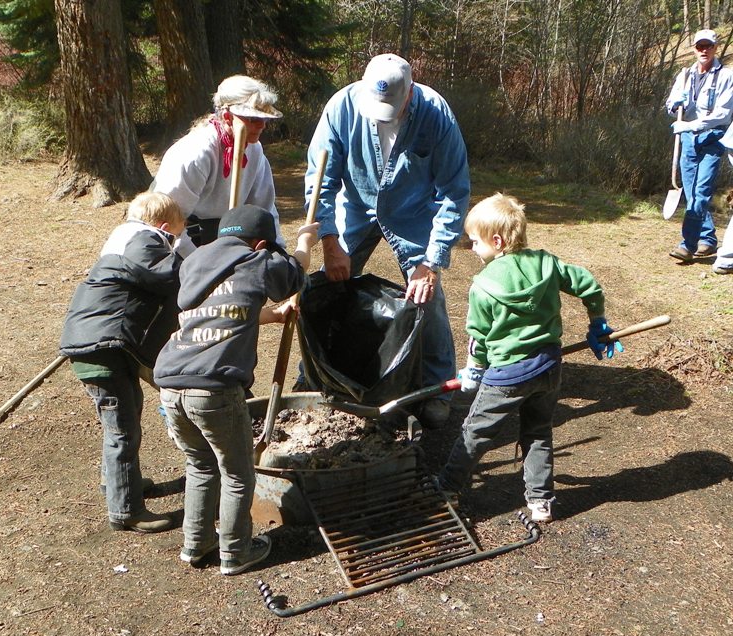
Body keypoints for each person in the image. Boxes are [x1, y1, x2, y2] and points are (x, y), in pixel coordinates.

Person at [304, 53, 470, 429]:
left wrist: (431, 262)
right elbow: (320, 180)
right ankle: (318, 375)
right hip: (357, 205)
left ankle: (436, 390)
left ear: (410, 93)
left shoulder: (436, 115)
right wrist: (329, 241)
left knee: (429, 299)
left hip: (412, 213)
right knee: (329, 286)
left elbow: (453, 192)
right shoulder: (341, 108)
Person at [436, 193, 622, 524]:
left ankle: (447, 488)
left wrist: (474, 371)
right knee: (537, 431)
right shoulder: (546, 264)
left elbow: (478, 338)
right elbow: (589, 285)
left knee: (475, 432)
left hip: (506, 376)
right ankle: (541, 502)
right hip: (548, 368)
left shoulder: (483, 286)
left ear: (497, 241)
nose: (473, 249)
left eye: (475, 243)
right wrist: (598, 321)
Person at [154, 204, 318, 575]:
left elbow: (220, 307)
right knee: (238, 472)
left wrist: (270, 315)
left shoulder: (196, 262)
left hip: (171, 383)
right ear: (260, 244)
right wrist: (306, 241)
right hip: (213, 387)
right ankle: (236, 551)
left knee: (200, 465)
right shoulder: (256, 260)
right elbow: (293, 276)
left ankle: (195, 545)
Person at [59, 192, 185, 533]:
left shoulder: (122, 240)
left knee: (123, 419)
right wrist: (195, 261)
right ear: (162, 228)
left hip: (101, 344)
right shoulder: (141, 241)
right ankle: (126, 510)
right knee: (122, 430)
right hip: (103, 347)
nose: (173, 243)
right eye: (174, 236)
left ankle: (117, 483)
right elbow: (171, 276)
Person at [151, 75, 286, 257]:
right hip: (180, 238)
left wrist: (279, 252)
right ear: (227, 117)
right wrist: (200, 265)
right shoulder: (196, 153)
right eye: (253, 118)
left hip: (227, 233)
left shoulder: (255, 150)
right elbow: (166, 224)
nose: (262, 125)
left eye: (265, 119)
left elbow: (264, 210)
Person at [665, 29, 733, 262]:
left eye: (709, 46)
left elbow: (723, 114)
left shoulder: (726, 76)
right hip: (687, 141)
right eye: (699, 46)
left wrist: (691, 125)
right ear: (694, 48)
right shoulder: (684, 75)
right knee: (693, 193)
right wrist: (675, 105)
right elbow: (670, 104)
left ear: (715, 48)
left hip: (712, 139)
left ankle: (687, 244)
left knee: (700, 193)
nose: (704, 50)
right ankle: (708, 238)